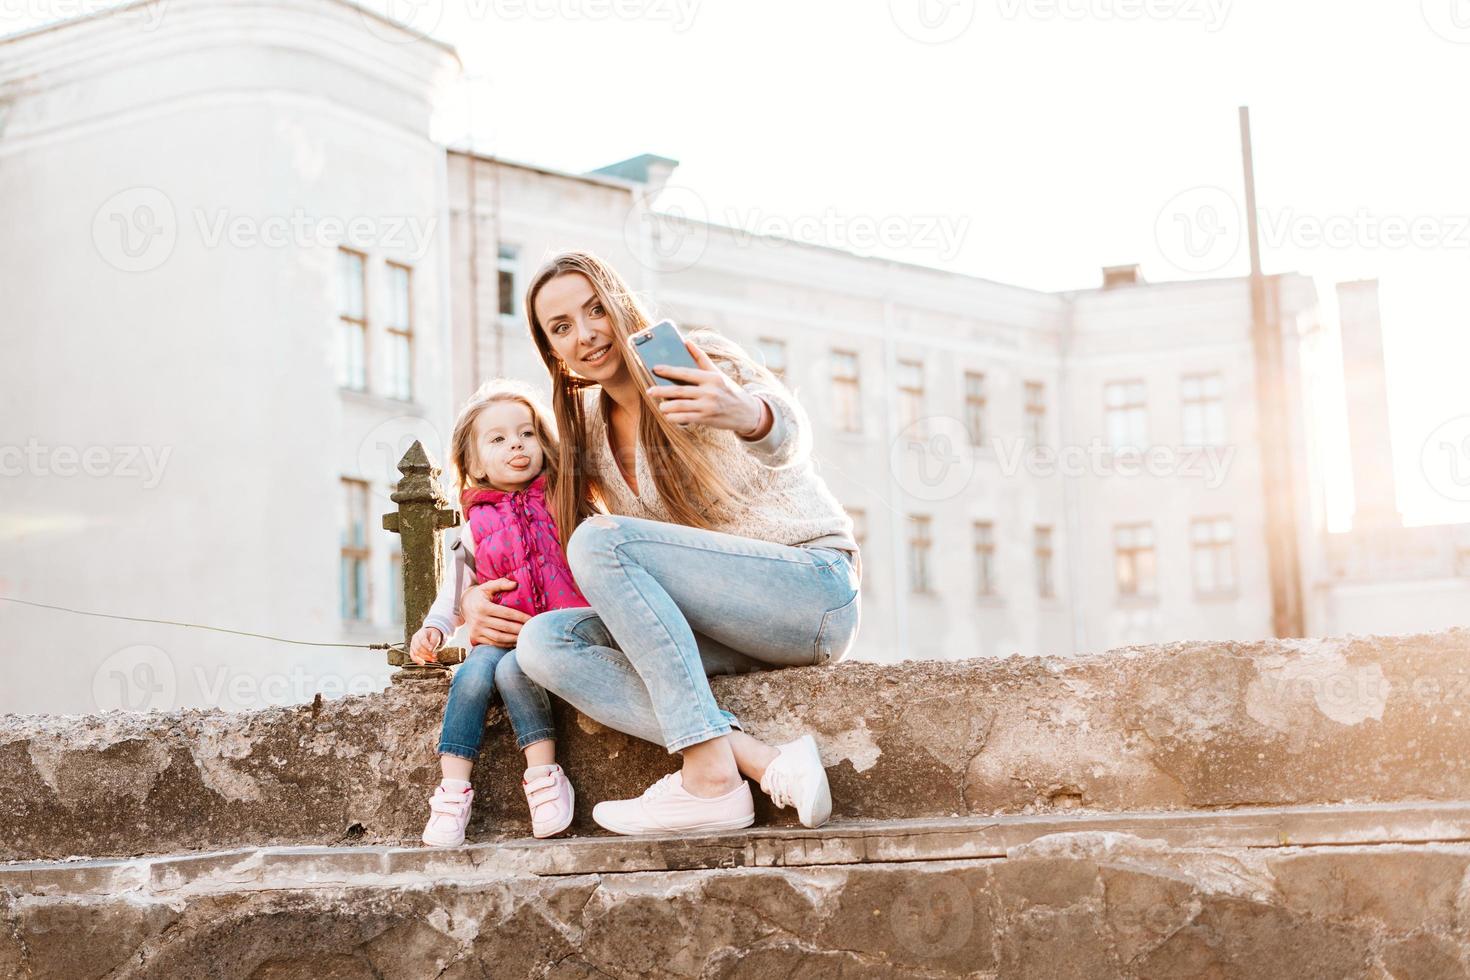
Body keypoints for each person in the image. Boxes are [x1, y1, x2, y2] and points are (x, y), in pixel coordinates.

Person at [459, 250, 863, 836]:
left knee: (602, 542)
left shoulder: (699, 356)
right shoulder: (587, 430)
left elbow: (789, 434)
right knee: (545, 642)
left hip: (810, 592)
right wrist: (471, 600)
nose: (587, 333)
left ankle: (710, 780)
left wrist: (746, 413)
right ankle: (763, 762)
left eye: (595, 309)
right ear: (551, 350)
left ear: (621, 304)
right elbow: (527, 524)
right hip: (721, 625)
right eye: (562, 327)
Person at [410, 380, 588, 846]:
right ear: (473, 464)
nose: (516, 443)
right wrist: (434, 627)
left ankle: (545, 778)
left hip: (554, 635)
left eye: (527, 434)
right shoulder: (472, 528)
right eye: (498, 438)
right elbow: (455, 591)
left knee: (514, 671)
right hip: (495, 637)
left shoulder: (564, 501)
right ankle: (452, 790)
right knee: (472, 676)